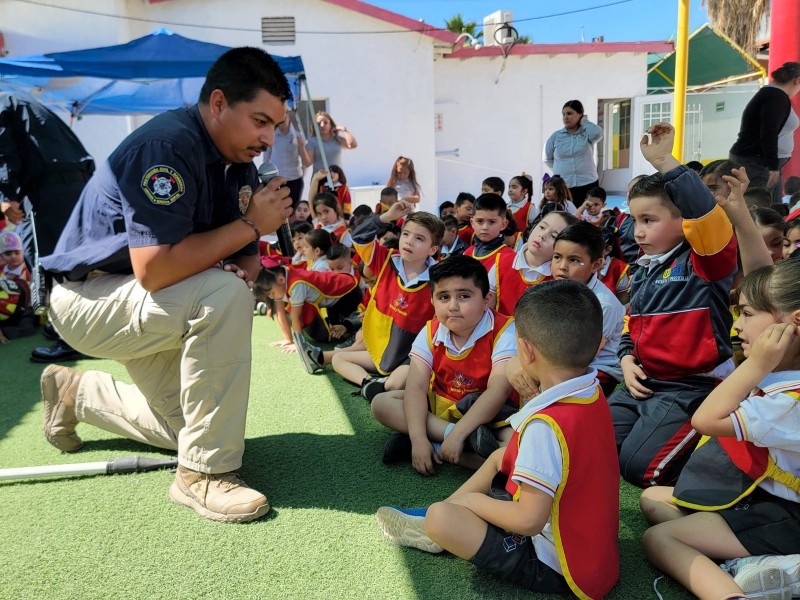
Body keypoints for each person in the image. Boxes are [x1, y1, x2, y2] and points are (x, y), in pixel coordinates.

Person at [38, 47, 294, 523]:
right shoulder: (166, 148)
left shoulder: (235, 161)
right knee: (222, 292)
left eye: (275, 127)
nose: (267, 138)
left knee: (188, 430)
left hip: (147, 300)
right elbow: (154, 270)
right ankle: (202, 476)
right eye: (260, 121)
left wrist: (244, 247)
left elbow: (247, 265)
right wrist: (247, 230)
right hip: (86, 298)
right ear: (218, 103)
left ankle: (76, 393)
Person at [375, 280, 620, 600]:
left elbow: (530, 520)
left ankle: (438, 518)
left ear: (527, 351)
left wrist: (472, 503)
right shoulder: (590, 390)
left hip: (560, 566)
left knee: (442, 519)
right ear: (598, 344)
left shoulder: (544, 427)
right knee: (498, 458)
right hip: (596, 552)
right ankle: (443, 512)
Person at [639, 259, 800, 600]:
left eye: (747, 314)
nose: (736, 325)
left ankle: (733, 591)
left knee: (660, 539)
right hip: (767, 497)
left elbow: (704, 420)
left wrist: (756, 363)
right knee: (653, 499)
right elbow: (767, 272)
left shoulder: (787, 403)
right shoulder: (788, 373)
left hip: (787, 517)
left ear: (793, 324)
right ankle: (759, 561)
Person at [608, 123, 738, 488]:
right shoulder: (645, 269)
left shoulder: (704, 260)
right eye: (635, 220)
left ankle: (716, 454)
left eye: (649, 220)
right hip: (645, 382)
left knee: (640, 469)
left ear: (685, 222)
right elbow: (632, 324)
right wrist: (626, 358)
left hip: (691, 388)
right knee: (596, 444)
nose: (638, 232)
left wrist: (665, 161)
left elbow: (707, 215)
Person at [371, 255, 517, 472]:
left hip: (489, 413)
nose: (453, 306)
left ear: (487, 299)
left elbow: (498, 390)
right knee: (381, 403)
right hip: (442, 407)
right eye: (443, 297)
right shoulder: (430, 330)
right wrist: (419, 438)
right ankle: (446, 440)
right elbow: (416, 387)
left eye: (464, 296)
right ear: (432, 300)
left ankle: (437, 446)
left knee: (516, 447)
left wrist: (458, 434)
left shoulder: (505, 330)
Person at [0, 92, 96, 363]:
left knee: (48, 264)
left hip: (47, 189)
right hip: (76, 185)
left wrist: (6, 196)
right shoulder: (26, 103)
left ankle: (72, 339)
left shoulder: (3, 105)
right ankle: (72, 328)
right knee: (72, 264)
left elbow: (2, 147)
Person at [326, 202, 443, 398]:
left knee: (395, 384)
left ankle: (383, 386)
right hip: (379, 350)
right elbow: (359, 237)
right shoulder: (387, 258)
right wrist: (385, 217)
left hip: (410, 356)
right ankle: (369, 382)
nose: (409, 241)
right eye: (405, 234)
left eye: (419, 238)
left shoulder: (439, 278)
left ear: (433, 249)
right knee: (339, 359)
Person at [550, 222, 625, 397]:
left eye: (574, 260)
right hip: (565, 357)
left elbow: (582, 357)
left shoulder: (602, 304)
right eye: (557, 257)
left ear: (596, 264)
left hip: (599, 370)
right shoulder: (557, 288)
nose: (562, 266)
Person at [729, 62, 800, 198]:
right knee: (759, 204)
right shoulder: (776, 97)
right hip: (756, 162)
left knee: (772, 206)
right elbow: (769, 131)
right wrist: (772, 166)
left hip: (763, 162)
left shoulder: (773, 94)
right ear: (797, 81)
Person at [490, 211, 578, 317]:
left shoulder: (561, 277)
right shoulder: (501, 262)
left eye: (553, 236)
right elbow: (486, 310)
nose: (542, 235)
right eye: (542, 227)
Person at [543, 100, 604, 204]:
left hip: (588, 183)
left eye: (569, 113)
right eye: (563, 114)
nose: (566, 117)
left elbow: (598, 133)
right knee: (567, 216)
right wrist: (560, 170)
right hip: (564, 186)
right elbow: (547, 158)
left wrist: (584, 121)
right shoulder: (556, 136)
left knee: (587, 216)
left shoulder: (587, 133)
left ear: (580, 114)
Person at [261, 108, 311, 206]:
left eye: (284, 118)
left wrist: (301, 175)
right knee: (276, 208)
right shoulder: (272, 136)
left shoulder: (298, 136)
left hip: (295, 178)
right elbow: (266, 157)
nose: (282, 122)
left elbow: (305, 162)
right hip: (276, 179)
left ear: (289, 119)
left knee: (293, 210)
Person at [463, 194, 514, 271]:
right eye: (480, 221)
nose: (485, 227)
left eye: (492, 222)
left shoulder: (510, 257)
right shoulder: (467, 254)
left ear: (503, 224)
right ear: (472, 223)